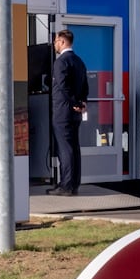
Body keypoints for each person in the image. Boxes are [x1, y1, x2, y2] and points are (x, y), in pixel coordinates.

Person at [49, 29, 89, 196]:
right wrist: (81, 103)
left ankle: (66, 186)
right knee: (74, 147)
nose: (55, 44)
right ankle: (73, 184)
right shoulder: (79, 61)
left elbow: (64, 86)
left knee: (65, 148)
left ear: (63, 42)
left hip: (63, 111)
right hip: (75, 111)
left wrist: (74, 102)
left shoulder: (61, 62)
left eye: (56, 41)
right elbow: (85, 85)